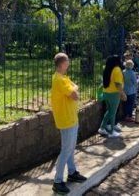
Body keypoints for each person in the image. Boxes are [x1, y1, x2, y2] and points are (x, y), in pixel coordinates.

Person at [51, 53, 88, 194]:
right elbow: (75, 95)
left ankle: (72, 173)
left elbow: (74, 89)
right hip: (66, 120)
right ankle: (57, 181)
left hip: (71, 118)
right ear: (62, 64)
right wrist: (75, 88)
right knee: (66, 150)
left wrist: (74, 88)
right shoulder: (60, 80)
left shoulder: (64, 78)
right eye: (67, 60)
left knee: (71, 148)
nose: (69, 62)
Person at [99, 55, 124, 138]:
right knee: (112, 113)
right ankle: (111, 131)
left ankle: (103, 128)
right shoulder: (117, 69)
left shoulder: (107, 68)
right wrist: (123, 94)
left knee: (109, 111)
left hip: (106, 93)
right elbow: (118, 84)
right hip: (114, 94)